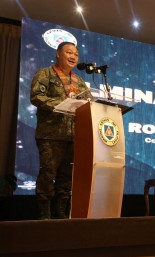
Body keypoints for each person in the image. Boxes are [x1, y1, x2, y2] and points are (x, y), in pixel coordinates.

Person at [30, 41, 92, 219]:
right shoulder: (46, 73)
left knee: (66, 178)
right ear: (58, 54)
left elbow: (90, 104)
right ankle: (44, 215)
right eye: (69, 52)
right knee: (48, 173)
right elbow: (36, 96)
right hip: (51, 135)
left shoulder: (79, 82)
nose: (73, 56)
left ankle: (62, 214)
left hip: (74, 136)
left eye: (76, 54)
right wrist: (61, 105)